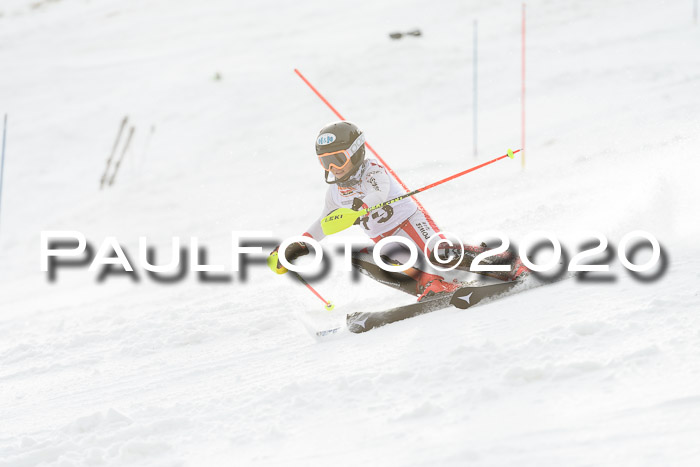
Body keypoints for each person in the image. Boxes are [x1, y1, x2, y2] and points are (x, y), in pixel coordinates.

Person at [268, 121, 527, 301]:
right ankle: (433, 285)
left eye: (338, 159)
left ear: (356, 153)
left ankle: (507, 263)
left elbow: (377, 193)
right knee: (360, 259)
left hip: (411, 224)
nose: (333, 168)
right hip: (386, 240)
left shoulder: (373, 170)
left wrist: (361, 208)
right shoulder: (334, 194)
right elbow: (324, 224)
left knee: (439, 252)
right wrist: (295, 247)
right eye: (325, 162)